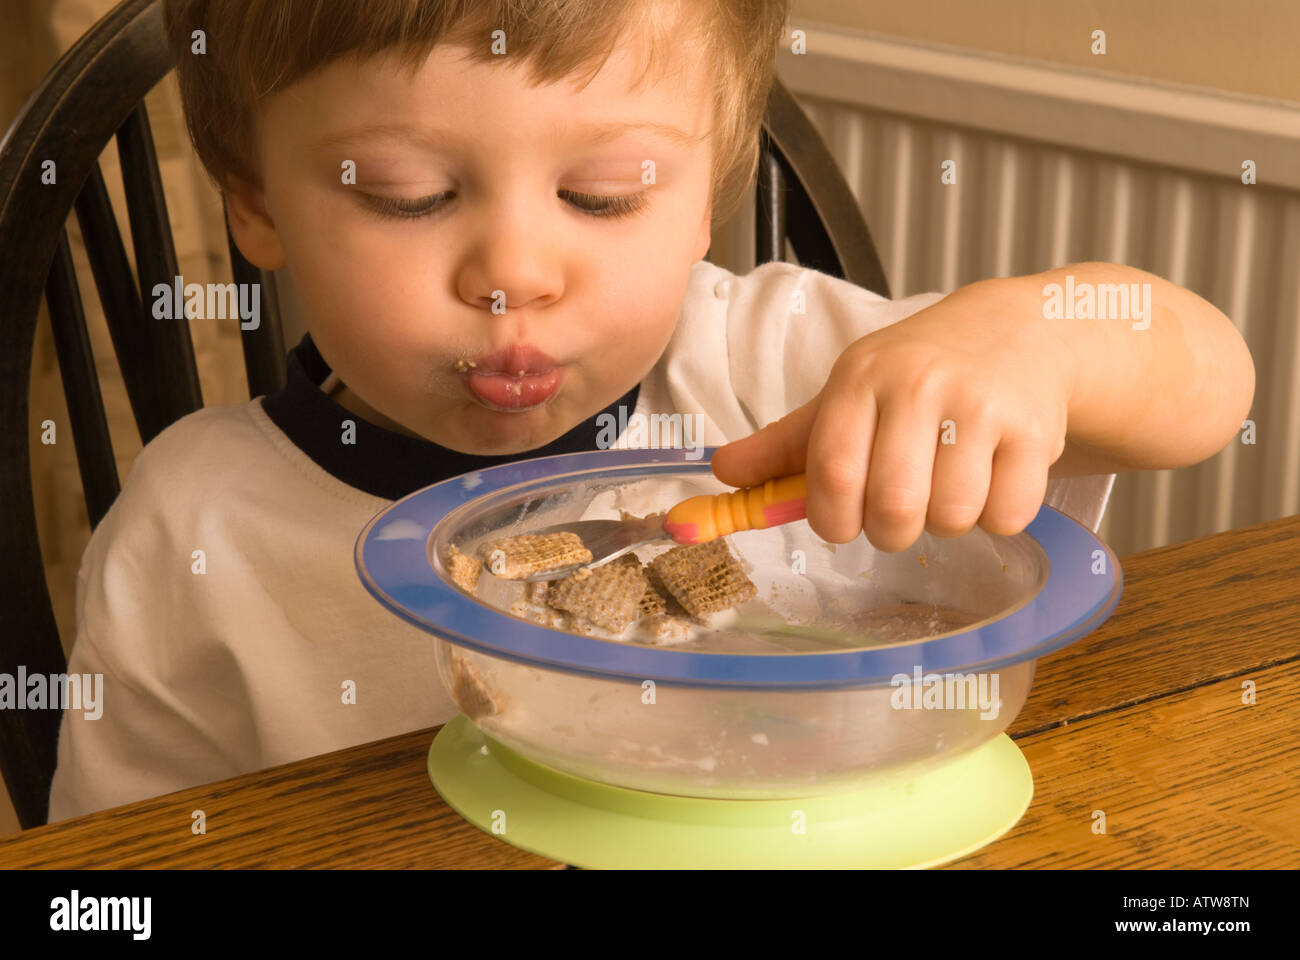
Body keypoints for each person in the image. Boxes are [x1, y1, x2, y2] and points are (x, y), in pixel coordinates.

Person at [46, 0, 1253, 821]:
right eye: (409, 196)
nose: (514, 271)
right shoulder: (189, 535)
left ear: (707, 192)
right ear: (254, 207)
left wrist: (1029, 333)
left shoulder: (784, 363)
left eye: (605, 194)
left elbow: (1204, 383)